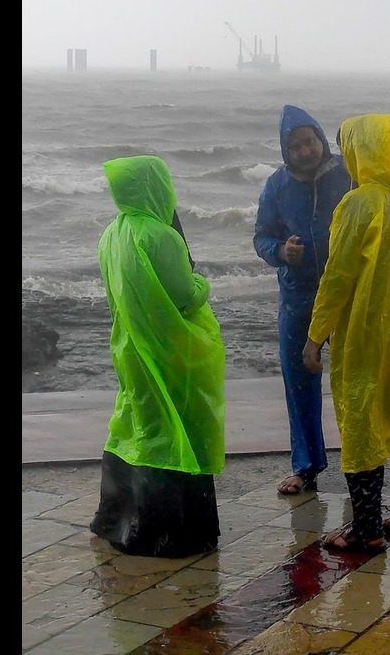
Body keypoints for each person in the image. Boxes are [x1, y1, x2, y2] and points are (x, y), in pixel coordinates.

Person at [302, 113, 390, 553]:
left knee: (361, 420)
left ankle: (366, 527)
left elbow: (338, 275)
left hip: (365, 331)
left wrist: (315, 335)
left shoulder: (358, 204)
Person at [89, 155, 226, 558]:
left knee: (137, 424)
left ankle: (117, 519)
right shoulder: (160, 236)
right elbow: (184, 295)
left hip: (131, 347)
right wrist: (203, 282)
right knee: (178, 430)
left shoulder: (112, 233)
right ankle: (172, 532)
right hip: (172, 350)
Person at [253, 105, 353, 496]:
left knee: (351, 379)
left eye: (309, 141)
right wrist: (280, 251)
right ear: (285, 150)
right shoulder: (276, 186)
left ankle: (358, 460)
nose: (305, 150)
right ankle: (306, 465)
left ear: (321, 139)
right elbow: (261, 235)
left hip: (346, 291)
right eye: (295, 146)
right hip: (298, 294)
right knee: (299, 380)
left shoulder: (349, 174)